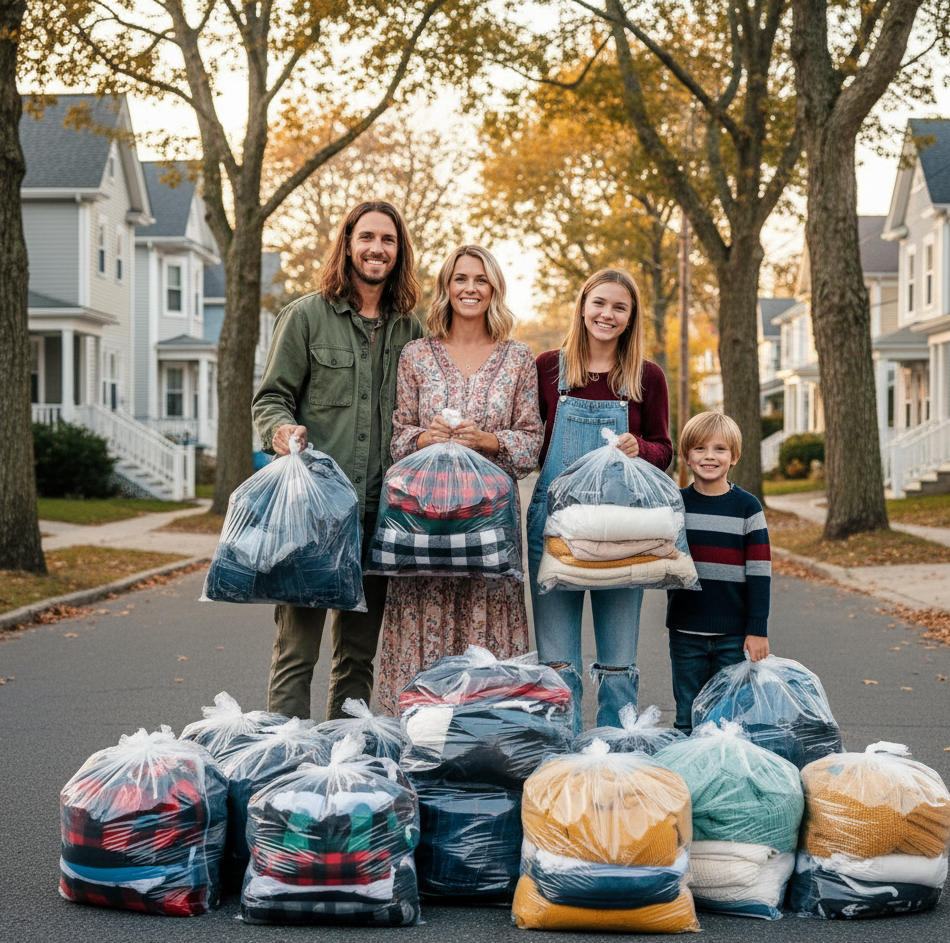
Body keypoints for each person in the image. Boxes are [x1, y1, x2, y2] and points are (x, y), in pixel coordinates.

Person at [251, 201, 424, 721]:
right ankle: (283, 766)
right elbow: (271, 398)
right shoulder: (305, 317)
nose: (377, 249)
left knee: (357, 658)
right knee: (296, 654)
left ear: (399, 252)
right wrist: (281, 431)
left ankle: (341, 772)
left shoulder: (410, 331)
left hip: (382, 518)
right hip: (314, 515)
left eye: (388, 240)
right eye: (367, 237)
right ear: (348, 243)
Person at [374, 245, 543, 715]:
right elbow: (396, 437)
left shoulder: (517, 358)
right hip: (423, 530)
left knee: (487, 644)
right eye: (461, 279)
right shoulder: (416, 354)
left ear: (494, 290)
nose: (470, 288)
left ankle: (488, 742)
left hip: (488, 533)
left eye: (481, 280)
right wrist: (424, 438)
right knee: (419, 627)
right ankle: (416, 740)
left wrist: (487, 440)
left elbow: (532, 443)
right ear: (446, 287)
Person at [527, 268, 673, 734]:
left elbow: (664, 449)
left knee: (617, 661)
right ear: (583, 307)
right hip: (557, 531)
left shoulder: (646, 376)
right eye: (600, 304)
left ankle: (616, 752)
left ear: (630, 319)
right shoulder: (548, 368)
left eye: (619, 307)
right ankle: (561, 755)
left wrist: (641, 449)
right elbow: (530, 443)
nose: (607, 315)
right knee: (558, 663)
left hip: (622, 535)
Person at [665, 411, 771, 734]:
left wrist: (758, 629)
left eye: (720, 449)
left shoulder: (747, 507)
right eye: (699, 448)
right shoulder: (675, 504)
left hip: (733, 636)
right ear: (686, 456)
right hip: (685, 632)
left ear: (734, 456)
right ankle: (687, 781)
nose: (709, 456)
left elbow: (759, 572)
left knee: (728, 721)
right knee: (687, 716)